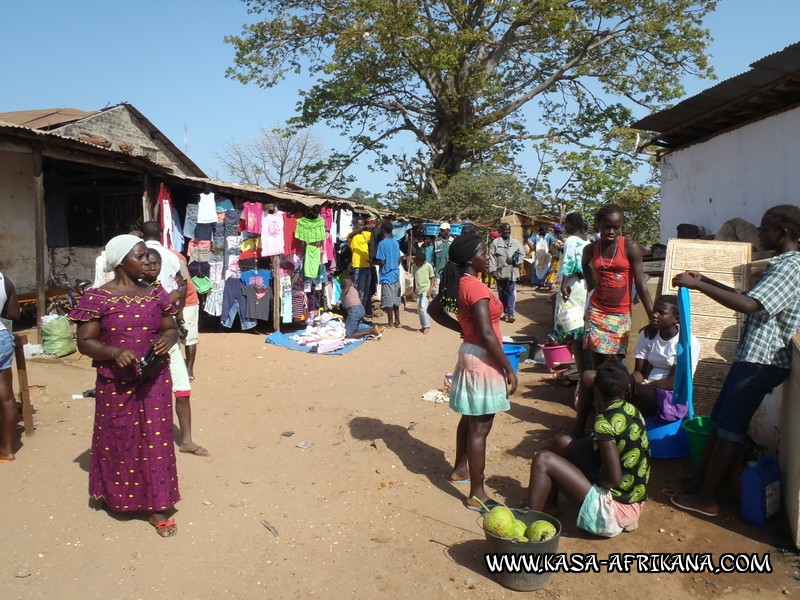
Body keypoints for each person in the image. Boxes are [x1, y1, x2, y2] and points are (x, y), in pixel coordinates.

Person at [668, 205, 800, 518]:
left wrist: (698, 286)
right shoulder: (781, 263)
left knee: (730, 429)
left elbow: (752, 305)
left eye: (765, 227)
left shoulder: (791, 267)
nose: (760, 231)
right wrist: (707, 280)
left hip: (762, 361)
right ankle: (701, 482)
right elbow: (747, 296)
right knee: (718, 421)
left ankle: (708, 499)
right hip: (752, 357)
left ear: (783, 233)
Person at [68, 235, 180, 537]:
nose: (148, 261)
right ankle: (116, 497)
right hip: (115, 382)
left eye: (148, 256)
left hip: (154, 377)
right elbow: (85, 341)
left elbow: (172, 327)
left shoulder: (156, 293)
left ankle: (158, 506)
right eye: (140, 256)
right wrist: (114, 352)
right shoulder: (97, 298)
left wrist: (167, 340)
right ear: (120, 261)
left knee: (156, 440)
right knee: (118, 436)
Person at [428, 233, 518, 512]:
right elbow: (488, 334)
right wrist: (508, 369)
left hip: (470, 353)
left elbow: (434, 309)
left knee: (470, 419)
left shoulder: (461, 284)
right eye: (483, 251)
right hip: (483, 359)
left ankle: (459, 470)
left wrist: (463, 330)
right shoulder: (476, 289)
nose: (488, 256)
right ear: (470, 258)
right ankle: (477, 493)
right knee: (480, 427)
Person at [526, 360, 649, 537]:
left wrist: (583, 475)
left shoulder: (604, 423)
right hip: (632, 500)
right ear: (627, 390)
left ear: (596, 392)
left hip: (614, 513)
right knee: (560, 442)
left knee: (543, 459)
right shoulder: (631, 410)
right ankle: (549, 505)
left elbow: (613, 479)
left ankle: (528, 526)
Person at [141, 249, 208, 457]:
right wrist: (176, 294)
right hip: (145, 348)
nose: (152, 267)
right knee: (145, 395)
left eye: (156, 264)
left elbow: (169, 310)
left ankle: (186, 440)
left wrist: (178, 318)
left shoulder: (159, 289)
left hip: (168, 345)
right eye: (147, 264)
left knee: (183, 388)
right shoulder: (138, 289)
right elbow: (153, 309)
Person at [581, 204, 654, 369]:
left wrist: (653, 315)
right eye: (607, 227)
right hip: (597, 312)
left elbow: (641, 283)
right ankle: (596, 394)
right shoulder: (591, 248)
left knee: (615, 363)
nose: (611, 231)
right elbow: (584, 264)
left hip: (620, 314)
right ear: (598, 224)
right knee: (597, 364)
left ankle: (612, 394)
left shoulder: (630, 247)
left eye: (616, 227)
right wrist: (591, 286)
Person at [629, 295, 700, 422]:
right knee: (595, 380)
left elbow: (672, 383)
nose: (654, 315)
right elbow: (640, 372)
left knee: (629, 393)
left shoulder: (686, 343)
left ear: (676, 319)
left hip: (672, 396)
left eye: (661, 313)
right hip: (647, 388)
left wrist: (642, 387)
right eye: (654, 310)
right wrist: (627, 381)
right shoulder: (647, 334)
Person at [553, 213, 591, 373]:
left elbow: (569, 263)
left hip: (571, 285)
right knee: (579, 320)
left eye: (566, 224)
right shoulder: (587, 241)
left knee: (568, 321)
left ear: (572, 224)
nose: (564, 227)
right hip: (583, 286)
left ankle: (568, 359)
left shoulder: (571, 241)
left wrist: (563, 285)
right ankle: (577, 359)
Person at [0, 271, 20, 462]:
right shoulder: (4, 280)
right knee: (6, 397)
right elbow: (14, 314)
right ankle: (6, 450)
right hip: (2, 338)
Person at [488, 223, 525, 323]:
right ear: (501, 230)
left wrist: (515, 261)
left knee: (511, 292)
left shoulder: (516, 242)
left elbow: (522, 254)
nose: (507, 232)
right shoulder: (495, 243)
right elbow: (492, 258)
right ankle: (505, 312)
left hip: (512, 272)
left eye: (509, 230)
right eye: (505, 230)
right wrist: (493, 271)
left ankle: (510, 313)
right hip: (500, 272)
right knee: (502, 293)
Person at [373, 220, 402, 328]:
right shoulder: (395, 242)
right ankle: (397, 321)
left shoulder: (382, 244)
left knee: (388, 300)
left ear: (383, 230)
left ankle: (390, 322)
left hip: (387, 275)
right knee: (396, 299)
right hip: (395, 274)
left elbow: (381, 261)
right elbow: (399, 259)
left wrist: (371, 262)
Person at [339, 275, 384, 340]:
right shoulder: (353, 289)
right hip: (360, 309)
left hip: (355, 310)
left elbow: (346, 286)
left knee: (349, 334)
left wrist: (339, 299)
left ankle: (372, 331)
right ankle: (373, 329)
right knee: (355, 329)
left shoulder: (347, 285)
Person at [347, 218, 374, 319]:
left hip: (367, 267)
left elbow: (374, 236)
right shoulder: (352, 236)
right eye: (359, 225)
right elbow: (350, 235)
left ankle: (362, 316)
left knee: (366, 294)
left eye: (362, 224)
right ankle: (357, 316)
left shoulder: (365, 234)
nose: (361, 227)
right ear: (354, 225)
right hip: (358, 267)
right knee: (360, 293)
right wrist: (364, 228)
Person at [411, 250, 435, 334]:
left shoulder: (428, 266)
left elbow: (432, 278)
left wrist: (430, 290)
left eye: (417, 261)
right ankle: (423, 326)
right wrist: (413, 290)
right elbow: (414, 279)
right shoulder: (414, 267)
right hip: (418, 290)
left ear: (422, 261)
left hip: (426, 289)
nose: (416, 262)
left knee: (423, 308)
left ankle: (427, 326)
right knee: (419, 309)